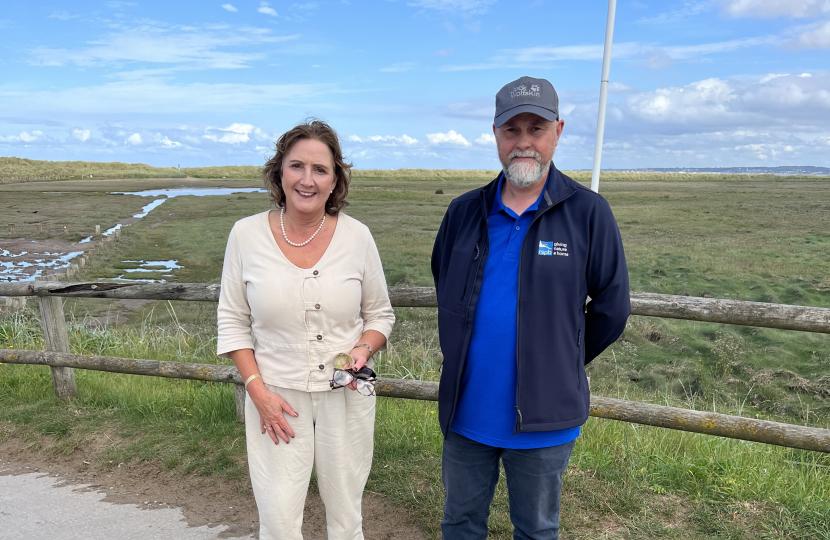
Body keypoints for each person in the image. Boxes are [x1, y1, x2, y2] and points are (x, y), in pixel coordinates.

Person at [431, 76, 630, 540]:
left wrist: (559, 361)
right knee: (459, 524)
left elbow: (612, 308)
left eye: (535, 129)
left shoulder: (588, 212)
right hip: (466, 412)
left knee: (537, 530)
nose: (524, 143)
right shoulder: (463, 212)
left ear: (558, 131)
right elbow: (445, 284)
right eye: (511, 130)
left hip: (545, 418)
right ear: (496, 135)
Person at [217, 120, 395, 540]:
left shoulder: (358, 237)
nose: (307, 179)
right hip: (275, 398)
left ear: (336, 180)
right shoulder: (245, 235)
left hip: (347, 396)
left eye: (321, 169)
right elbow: (232, 321)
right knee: (278, 522)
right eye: (297, 166)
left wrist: (363, 351)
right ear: (279, 172)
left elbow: (381, 315)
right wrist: (257, 391)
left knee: (347, 518)